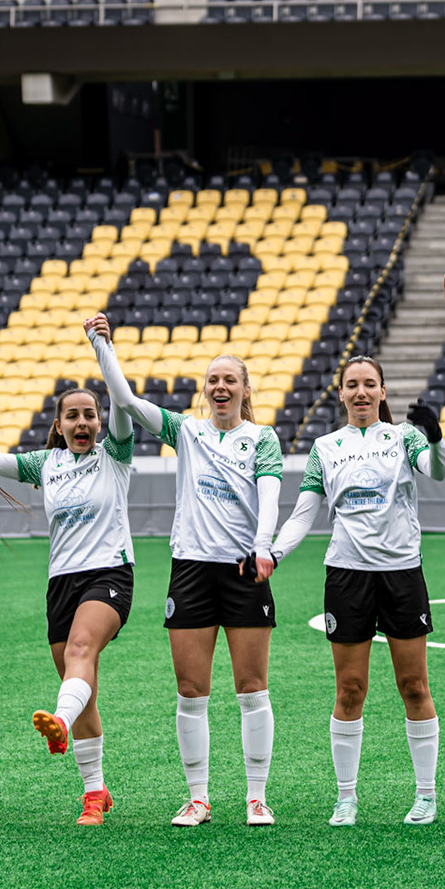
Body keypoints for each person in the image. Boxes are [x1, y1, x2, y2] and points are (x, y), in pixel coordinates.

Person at [87, 313, 283, 828]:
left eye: (230, 380)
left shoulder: (262, 438)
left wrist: (264, 546)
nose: (221, 387)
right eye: (213, 380)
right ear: (205, 391)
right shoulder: (186, 430)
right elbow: (126, 402)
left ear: (245, 390)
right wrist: (102, 345)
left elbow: (270, 497)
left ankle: (256, 798)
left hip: (243, 570)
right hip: (191, 570)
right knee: (191, 690)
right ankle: (198, 797)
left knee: (251, 687)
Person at [271, 356, 445, 827]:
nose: (361, 392)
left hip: (401, 574)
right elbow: (304, 512)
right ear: (342, 393)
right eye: (352, 385)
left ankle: (426, 795)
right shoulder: (325, 447)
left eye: (370, 384)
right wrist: (273, 554)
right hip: (347, 576)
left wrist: (435, 437)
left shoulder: (404, 438)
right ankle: (346, 797)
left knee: (414, 686)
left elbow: (437, 471)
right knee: (350, 689)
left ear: (383, 391)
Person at [0, 386, 136, 826]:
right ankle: (95, 794)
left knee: (80, 652)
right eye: (73, 416)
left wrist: (103, 346)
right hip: (61, 584)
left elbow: (122, 400)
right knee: (83, 689)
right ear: (58, 426)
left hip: (108, 575)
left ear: (101, 422)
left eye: (90, 415)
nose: (83, 423)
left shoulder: (114, 454)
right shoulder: (48, 464)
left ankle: (58, 721)